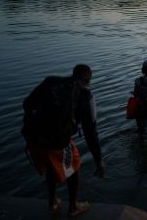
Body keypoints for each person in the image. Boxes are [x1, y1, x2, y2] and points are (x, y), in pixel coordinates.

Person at [22, 64, 105, 217]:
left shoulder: (50, 81)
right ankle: (73, 207)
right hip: (57, 142)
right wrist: (98, 160)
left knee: (50, 164)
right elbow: (90, 132)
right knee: (74, 167)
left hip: (33, 138)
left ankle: (52, 202)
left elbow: (26, 104)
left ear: (73, 75)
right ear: (88, 80)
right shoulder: (87, 95)